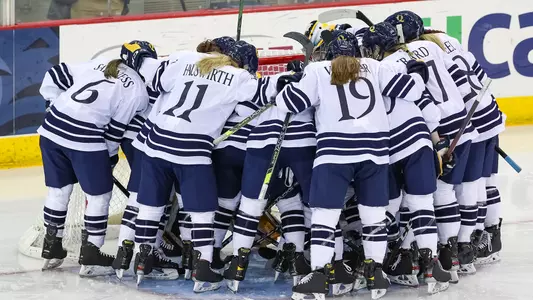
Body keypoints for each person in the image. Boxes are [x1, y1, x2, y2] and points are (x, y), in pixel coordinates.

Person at [276, 30, 427, 300]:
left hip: (334, 155)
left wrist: (285, 87)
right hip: (375, 154)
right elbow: (413, 90)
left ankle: (319, 275)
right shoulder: (375, 66)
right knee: (373, 218)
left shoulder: (318, 70)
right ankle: (375, 272)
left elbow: (292, 104)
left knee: (324, 217)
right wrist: (417, 73)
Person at [120, 39, 274, 291]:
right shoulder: (240, 78)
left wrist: (136, 54)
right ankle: (203, 269)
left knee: (150, 204)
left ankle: (143, 260)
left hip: (155, 142)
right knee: (202, 210)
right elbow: (265, 92)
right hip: (191, 149)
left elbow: (154, 76)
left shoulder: (185, 58)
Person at [37, 42, 150, 276]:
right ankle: (91, 252)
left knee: (58, 190)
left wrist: (51, 104)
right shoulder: (138, 89)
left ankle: (52, 246)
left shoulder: (102, 63)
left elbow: (55, 74)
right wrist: (108, 159)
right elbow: (114, 132)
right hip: (84, 139)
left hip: (51, 129)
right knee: (99, 195)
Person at [386, 10, 479, 280]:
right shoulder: (431, 44)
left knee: (425, 194)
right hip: (462, 117)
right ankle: (452, 252)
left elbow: (417, 94)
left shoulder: (392, 61)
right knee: (445, 191)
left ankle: (414, 254)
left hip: (436, 125)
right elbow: (460, 80)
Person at [362, 22, 452, 294]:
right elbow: (424, 103)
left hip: (388, 148)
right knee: (422, 205)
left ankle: (378, 265)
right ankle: (429, 266)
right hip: (418, 141)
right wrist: (440, 144)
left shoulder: (373, 66)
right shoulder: (410, 61)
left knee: (385, 208)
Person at [419, 26, 505, 266]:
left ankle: (465, 245)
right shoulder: (455, 48)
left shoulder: (433, 57)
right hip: (490, 115)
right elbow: (479, 81)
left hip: (470, 123)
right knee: (484, 181)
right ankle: (487, 236)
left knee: (464, 186)